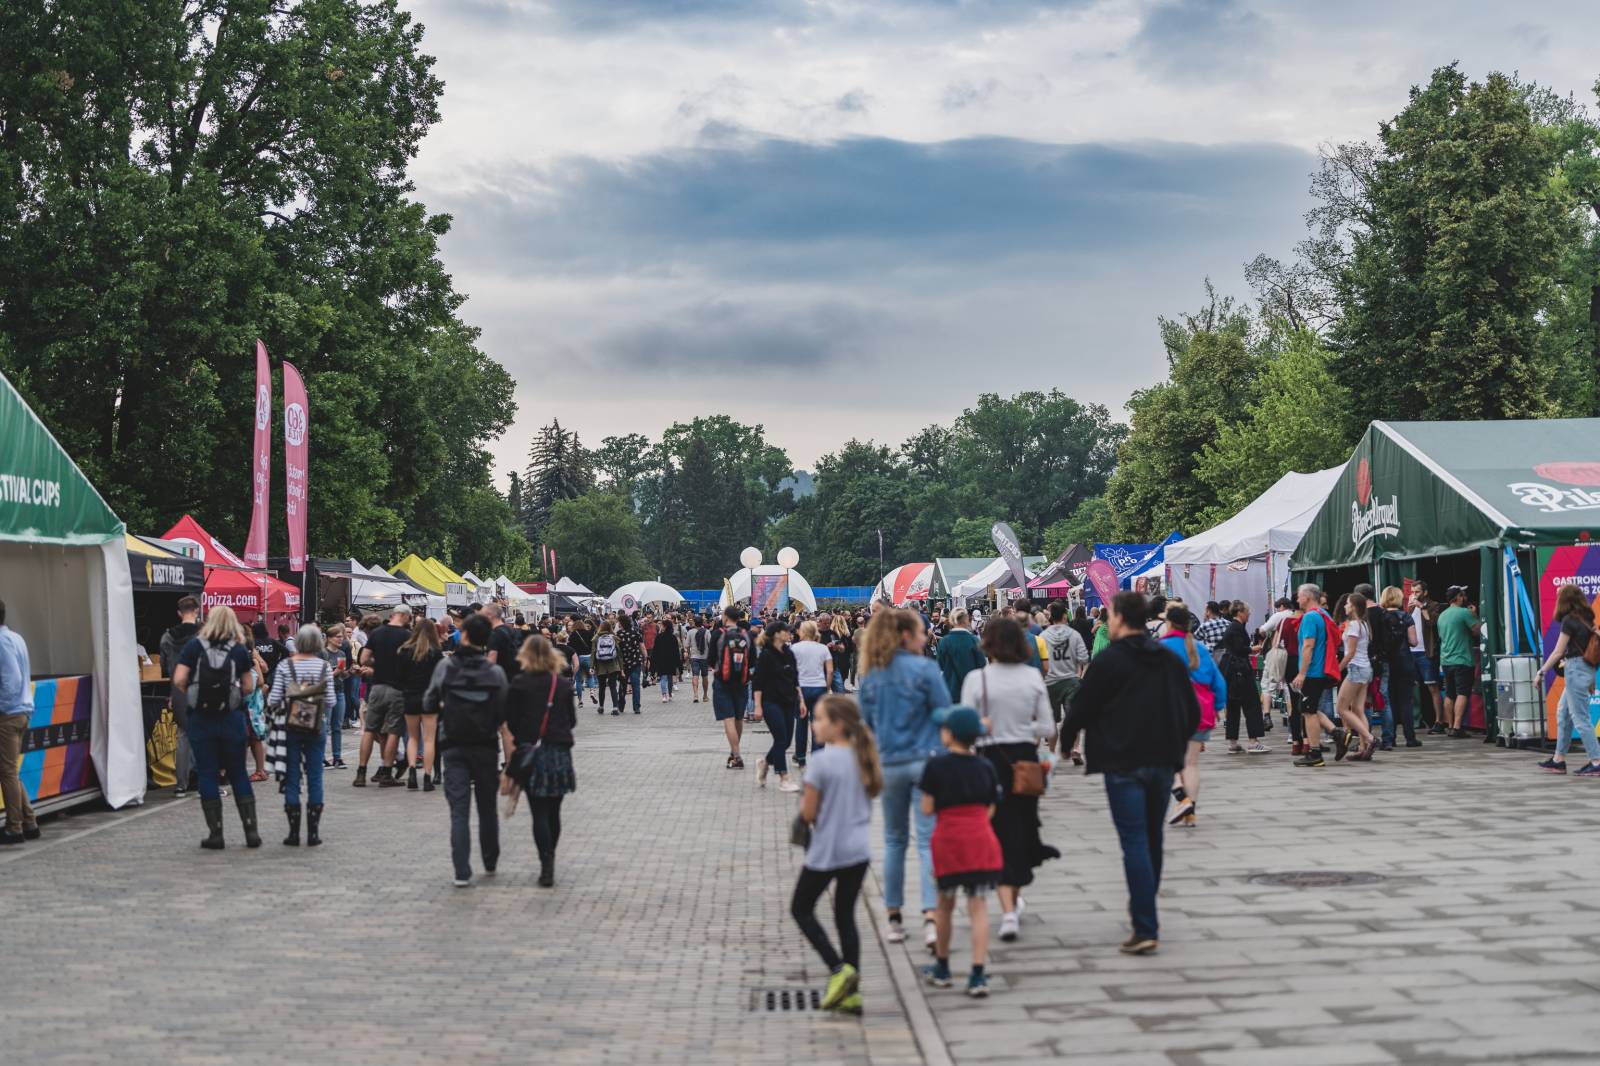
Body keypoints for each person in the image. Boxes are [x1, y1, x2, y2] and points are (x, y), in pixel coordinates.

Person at [1062, 592, 1200, 955]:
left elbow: (1080, 707)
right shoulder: (1167, 660)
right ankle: (1145, 909)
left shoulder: (1109, 661)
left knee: (1134, 841)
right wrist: (1176, 745)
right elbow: (1189, 708)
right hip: (1161, 760)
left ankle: (1144, 923)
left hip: (1122, 761)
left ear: (1120, 618)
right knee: (1151, 837)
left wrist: (1066, 741)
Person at [857, 608, 950, 954]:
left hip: (891, 763)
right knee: (928, 840)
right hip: (926, 761)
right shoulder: (926, 669)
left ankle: (894, 915)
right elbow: (944, 711)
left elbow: (867, 721)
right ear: (906, 636)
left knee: (895, 841)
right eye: (922, 633)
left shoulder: (871, 676)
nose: (926, 637)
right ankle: (929, 914)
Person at [961, 617, 1056, 943]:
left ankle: (1008, 909)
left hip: (988, 761)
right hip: (1024, 762)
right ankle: (1012, 900)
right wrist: (1020, 730)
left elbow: (965, 727)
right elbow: (1047, 728)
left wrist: (989, 728)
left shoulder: (977, 679)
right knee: (1021, 828)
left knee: (996, 831)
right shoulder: (1032, 676)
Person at [792, 694, 880, 1016]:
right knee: (845, 915)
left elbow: (810, 812)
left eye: (819, 720)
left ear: (838, 726)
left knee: (801, 908)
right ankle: (851, 991)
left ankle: (838, 968)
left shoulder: (821, 762)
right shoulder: (864, 756)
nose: (814, 724)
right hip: (858, 849)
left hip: (828, 848)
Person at [918, 706, 1003, 998]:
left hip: (948, 842)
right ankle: (978, 974)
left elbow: (927, 808)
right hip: (980, 840)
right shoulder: (985, 766)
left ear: (949, 734)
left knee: (944, 905)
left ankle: (942, 968)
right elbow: (992, 806)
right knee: (978, 907)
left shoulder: (936, 766)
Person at [424, 613, 510, 887]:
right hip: (485, 746)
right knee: (487, 807)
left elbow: (428, 701)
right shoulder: (494, 672)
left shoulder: (446, 667)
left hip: (454, 745)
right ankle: (490, 857)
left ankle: (462, 871)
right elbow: (504, 711)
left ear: (466, 636)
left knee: (459, 811)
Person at [170, 606, 262, 850]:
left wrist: (193, 695)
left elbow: (179, 679)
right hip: (231, 719)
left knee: (207, 773)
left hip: (201, 719)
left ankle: (216, 833)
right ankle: (251, 831)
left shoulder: (194, 647)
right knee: (238, 773)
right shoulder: (239, 650)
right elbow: (249, 685)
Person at [503, 636, 579, 886]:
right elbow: (572, 721)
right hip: (557, 751)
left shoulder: (519, 683)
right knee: (554, 811)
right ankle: (551, 856)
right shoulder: (563, 684)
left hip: (531, 753)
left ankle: (545, 862)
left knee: (538, 813)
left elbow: (511, 722)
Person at [266, 624, 337, 847]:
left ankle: (294, 832)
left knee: (292, 777)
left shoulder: (286, 666)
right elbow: (331, 701)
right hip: (316, 727)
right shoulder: (324, 667)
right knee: (315, 776)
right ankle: (313, 832)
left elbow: (273, 699)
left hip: (291, 726)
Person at [1158, 606, 1225, 826]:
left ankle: (1181, 797)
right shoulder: (1199, 648)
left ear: (1169, 623)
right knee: (1191, 763)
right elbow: (1218, 681)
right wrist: (1219, 707)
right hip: (1201, 709)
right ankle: (1190, 811)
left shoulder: (1160, 648)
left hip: (1170, 709)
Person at [1536, 584, 1600, 776]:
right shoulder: (1587, 618)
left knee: (1581, 719)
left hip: (1575, 670)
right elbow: (1591, 650)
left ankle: (1596, 761)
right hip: (1585, 670)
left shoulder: (1569, 620)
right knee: (1563, 712)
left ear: (1565, 600)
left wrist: (1541, 672)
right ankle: (1558, 760)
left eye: (1558, 596)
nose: (1556, 598)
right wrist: (1591, 681)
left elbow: (1558, 651)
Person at [355, 605, 413, 787]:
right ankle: (387, 772)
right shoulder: (407, 636)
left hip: (377, 687)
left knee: (370, 729)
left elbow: (363, 659)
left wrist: (377, 663)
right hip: (397, 688)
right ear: (404, 616)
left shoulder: (377, 633)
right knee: (393, 731)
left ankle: (361, 773)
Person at [0, 600, 39, 845]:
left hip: (8, 714)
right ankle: (30, 821)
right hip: (22, 712)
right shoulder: (15, 637)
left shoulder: (2, 642)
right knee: (10, 770)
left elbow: (11, 682)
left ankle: (14, 827)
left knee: (6, 772)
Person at [1292, 584, 1340, 768]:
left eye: (1299, 596)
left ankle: (1315, 753)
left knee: (1308, 711)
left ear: (1308, 597)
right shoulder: (1323, 614)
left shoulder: (1310, 617)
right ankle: (1337, 733)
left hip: (1312, 671)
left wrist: (1302, 673)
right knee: (1308, 707)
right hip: (1320, 670)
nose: (1297, 599)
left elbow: (1308, 646)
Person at [160, 595, 203, 797]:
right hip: (200, 686)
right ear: (196, 610)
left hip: (178, 688)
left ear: (179, 613)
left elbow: (164, 666)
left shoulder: (167, 636)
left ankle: (181, 784)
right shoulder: (203, 635)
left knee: (182, 735)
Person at [752, 622, 803, 792]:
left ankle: (764, 763)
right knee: (781, 738)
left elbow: (795, 679)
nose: (790, 634)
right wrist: (758, 706)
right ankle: (784, 777)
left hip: (789, 700)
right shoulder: (766, 655)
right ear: (776, 634)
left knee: (786, 741)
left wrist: (801, 700)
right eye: (786, 631)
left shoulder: (789, 653)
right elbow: (757, 683)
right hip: (770, 702)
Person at [398, 616, 445, 791]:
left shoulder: (404, 651)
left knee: (412, 737)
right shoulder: (436, 653)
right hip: (430, 699)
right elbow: (440, 679)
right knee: (429, 739)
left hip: (410, 697)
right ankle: (427, 776)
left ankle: (411, 771)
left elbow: (400, 677)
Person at [1332, 592, 1379, 761]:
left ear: (1353, 606)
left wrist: (1337, 670)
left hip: (1356, 669)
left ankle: (1370, 739)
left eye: (1347, 603)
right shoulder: (1364, 624)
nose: (1345, 606)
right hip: (1365, 668)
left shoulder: (1352, 625)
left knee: (1342, 709)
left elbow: (1350, 653)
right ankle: (1364, 747)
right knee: (1358, 710)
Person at [1040, 602, 1089, 766]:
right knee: (1073, 717)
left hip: (1050, 681)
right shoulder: (1074, 635)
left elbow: (1041, 660)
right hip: (1071, 680)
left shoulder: (1044, 636)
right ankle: (1075, 749)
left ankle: (1052, 754)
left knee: (1052, 720)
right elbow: (1083, 658)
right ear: (1064, 616)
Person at [704, 607, 752, 767]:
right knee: (739, 718)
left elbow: (710, 659)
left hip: (722, 682)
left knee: (728, 719)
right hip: (742, 682)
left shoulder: (718, 634)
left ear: (725, 617)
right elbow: (752, 660)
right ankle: (734, 752)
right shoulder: (746, 634)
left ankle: (736, 755)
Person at [1218, 602, 1268, 754]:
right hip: (1240, 671)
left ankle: (1233, 742)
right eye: (1247, 611)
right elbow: (1239, 649)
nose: (1249, 614)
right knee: (1251, 704)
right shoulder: (1237, 629)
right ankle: (1253, 741)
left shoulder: (1232, 628)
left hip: (1231, 672)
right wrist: (1252, 649)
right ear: (1240, 612)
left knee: (1233, 706)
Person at [1378, 587, 1421, 749]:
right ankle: (1410, 738)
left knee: (1389, 701)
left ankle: (1391, 737)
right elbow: (1414, 642)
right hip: (1405, 661)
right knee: (1406, 701)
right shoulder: (1406, 617)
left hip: (1387, 662)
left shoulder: (1381, 618)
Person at [1436, 585, 1482, 738]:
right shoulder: (1464, 613)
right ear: (1457, 597)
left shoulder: (1442, 615)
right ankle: (1457, 727)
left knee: (1449, 693)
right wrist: (1474, 614)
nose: (1464, 598)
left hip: (1446, 659)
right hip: (1462, 659)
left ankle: (1450, 725)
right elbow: (1478, 630)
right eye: (1462, 595)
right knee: (1462, 693)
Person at [790, 620, 833, 768]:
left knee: (801, 723)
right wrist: (827, 687)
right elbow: (830, 670)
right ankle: (818, 757)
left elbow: (792, 671)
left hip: (801, 688)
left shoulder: (794, 648)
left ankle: (801, 756)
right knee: (818, 723)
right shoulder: (823, 649)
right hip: (819, 687)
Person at [1409, 582, 1445, 733]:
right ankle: (1417, 719)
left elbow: (1432, 623)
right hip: (1412, 652)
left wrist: (1422, 607)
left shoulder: (1433, 605)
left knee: (1433, 687)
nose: (1415, 594)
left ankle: (1439, 721)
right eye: (1413, 592)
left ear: (1425, 592)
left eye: (1417, 592)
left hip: (1426, 651)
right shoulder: (1410, 607)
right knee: (1413, 687)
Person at [936, 608, 986, 703]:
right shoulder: (974, 640)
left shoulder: (944, 641)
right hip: (971, 689)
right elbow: (981, 665)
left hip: (949, 689)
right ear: (966, 620)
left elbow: (940, 665)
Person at [322, 624, 352, 769]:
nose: (341, 639)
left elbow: (343, 675)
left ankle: (337, 757)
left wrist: (349, 672)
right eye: (338, 637)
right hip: (326, 692)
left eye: (342, 637)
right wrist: (336, 672)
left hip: (339, 690)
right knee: (325, 725)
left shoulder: (341, 654)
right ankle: (321, 757)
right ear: (329, 638)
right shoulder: (322, 654)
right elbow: (322, 676)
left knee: (337, 726)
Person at [592, 619, 624, 714]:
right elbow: (619, 654)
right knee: (613, 686)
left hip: (600, 665)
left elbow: (593, 652)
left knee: (601, 687)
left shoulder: (596, 638)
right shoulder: (614, 637)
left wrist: (591, 666)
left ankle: (601, 707)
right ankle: (615, 708)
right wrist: (621, 668)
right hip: (613, 665)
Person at [616, 613, 645, 714]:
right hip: (635, 661)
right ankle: (636, 707)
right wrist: (646, 657)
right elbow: (642, 646)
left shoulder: (619, 634)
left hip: (623, 663)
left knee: (622, 685)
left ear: (622, 623)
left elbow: (617, 649)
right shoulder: (636, 632)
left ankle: (621, 705)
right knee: (635, 685)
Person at [651, 620, 681, 702]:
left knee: (663, 678)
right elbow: (676, 651)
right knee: (670, 677)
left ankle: (664, 695)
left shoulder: (659, 637)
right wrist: (678, 662)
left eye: (662, 625)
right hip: (671, 660)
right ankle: (670, 694)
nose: (661, 626)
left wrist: (654, 660)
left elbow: (655, 650)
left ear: (665, 627)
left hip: (661, 660)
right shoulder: (673, 637)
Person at [828, 615, 855, 694]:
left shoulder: (831, 632)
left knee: (836, 671)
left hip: (834, 655)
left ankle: (836, 687)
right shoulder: (847, 632)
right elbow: (850, 646)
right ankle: (841, 686)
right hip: (845, 655)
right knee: (844, 671)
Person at [687, 616, 711, 703]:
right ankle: (705, 695)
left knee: (695, 676)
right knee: (705, 676)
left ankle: (695, 695)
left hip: (694, 657)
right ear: (702, 623)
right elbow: (710, 643)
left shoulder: (690, 632)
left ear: (694, 622)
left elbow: (687, 645)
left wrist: (688, 654)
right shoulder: (707, 632)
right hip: (704, 657)